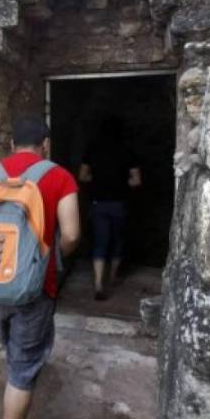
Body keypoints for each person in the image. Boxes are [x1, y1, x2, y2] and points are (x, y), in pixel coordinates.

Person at [0, 116, 80, 419]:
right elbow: (72, 234)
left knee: (13, 349)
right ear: (44, 144)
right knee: (23, 368)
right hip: (35, 287)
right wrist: (53, 259)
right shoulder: (59, 176)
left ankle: (14, 383)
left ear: (12, 144)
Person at [78, 116, 141, 301]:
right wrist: (121, 182)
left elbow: (82, 176)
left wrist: (98, 180)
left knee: (100, 242)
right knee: (118, 241)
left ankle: (98, 283)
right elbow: (137, 180)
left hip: (99, 203)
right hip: (120, 203)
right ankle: (112, 279)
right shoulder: (128, 151)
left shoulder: (92, 149)